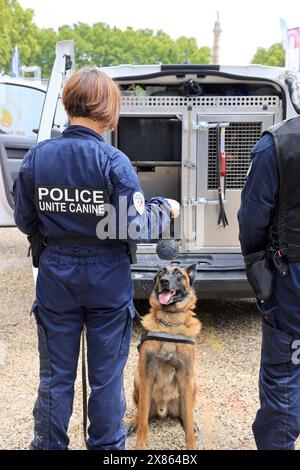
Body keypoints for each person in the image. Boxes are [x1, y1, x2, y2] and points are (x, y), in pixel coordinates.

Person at [13, 67, 180, 450]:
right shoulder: (113, 161)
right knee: (105, 378)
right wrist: (163, 207)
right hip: (107, 279)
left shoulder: (38, 157)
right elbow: (135, 225)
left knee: (55, 376)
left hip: (56, 275)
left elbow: (24, 219)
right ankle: (106, 449)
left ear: (68, 104)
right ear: (108, 110)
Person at [238, 115, 300, 450]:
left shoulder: (277, 143)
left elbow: (252, 218)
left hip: (292, 278)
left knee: (286, 373)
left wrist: (259, 270)